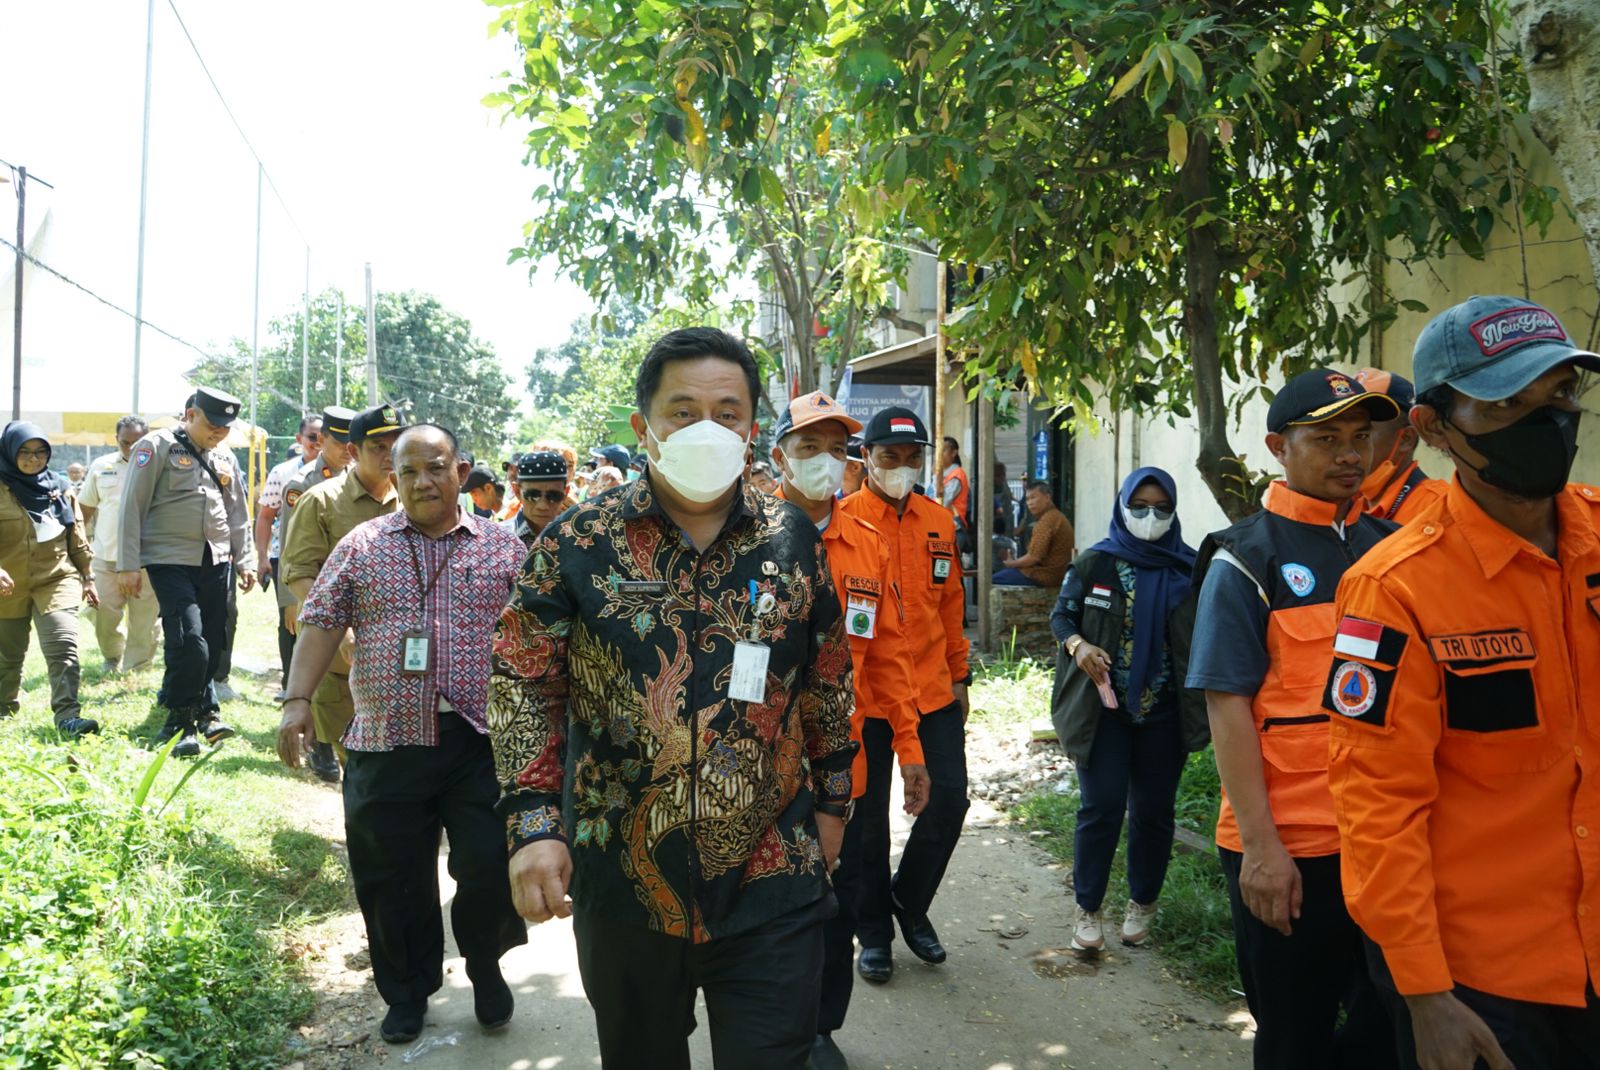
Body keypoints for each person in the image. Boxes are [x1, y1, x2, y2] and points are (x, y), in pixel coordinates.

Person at [488, 327, 857, 1069]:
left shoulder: (791, 539)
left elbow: (826, 677)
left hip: (772, 875)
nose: (706, 429)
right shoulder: (578, 541)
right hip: (622, 881)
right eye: (683, 412)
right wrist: (532, 823)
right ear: (644, 426)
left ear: (751, 432)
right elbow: (523, 678)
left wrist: (834, 803)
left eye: (727, 413)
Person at [1327, 296, 1600, 1070]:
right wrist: (1425, 996)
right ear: (1436, 429)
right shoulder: (1393, 590)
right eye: (1507, 403)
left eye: (1559, 394)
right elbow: (1377, 808)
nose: (1546, 422)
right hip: (1487, 985)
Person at [277, 422, 528, 1044]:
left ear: (460, 473)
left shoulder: (503, 549)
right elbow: (321, 621)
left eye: (435, 468)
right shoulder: (362, 545)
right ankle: (408, 992)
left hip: (478, 739)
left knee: (488, 864)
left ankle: (485, 963)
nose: (422, 482)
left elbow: (536, 639)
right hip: (386, 737)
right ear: (394, 477)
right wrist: (296, 700)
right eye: (408, 471)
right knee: (391, 876)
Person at [1184, 369, 1401, 1070]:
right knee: (1294, 1038)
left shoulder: (1395, 547)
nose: (1350, 454)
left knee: (1393, 1025)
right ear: (1279, 447)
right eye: (1327, 439)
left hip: (1388, 840)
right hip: (1294, 847)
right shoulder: (1248, 559)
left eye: (1360, 437)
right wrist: (1262, 850)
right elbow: (1226, 706)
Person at [769, 391, 930, 1070]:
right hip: (757, 762)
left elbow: (889, 654)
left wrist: (912, 747)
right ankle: (764, 1024)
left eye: (837, 449)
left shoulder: (867, 544)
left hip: (843, 762)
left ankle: (820, 1028)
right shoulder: (744, 537)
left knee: (834, 896)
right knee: (765, 903)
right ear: (779, 456)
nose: (824, 461)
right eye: (809, 447)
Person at [1050, 467, 1208, 952]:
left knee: (1154, 812)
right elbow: (1062, 616)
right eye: (1139, 507)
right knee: (1100, 806)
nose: (1150, 516)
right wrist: (1079, 646)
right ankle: (1088, 908)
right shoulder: (1096, 564)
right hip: (1105, 711)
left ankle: (1143, 902)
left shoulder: (1191, 570)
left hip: (1165, 713)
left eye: (1161, 508)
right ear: (1122, 508)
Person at [840, 406, 971, 984]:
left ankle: (908, 901)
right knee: (867, 823)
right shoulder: (844, 522)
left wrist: (960, 676)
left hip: (933, 692)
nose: (900, 466)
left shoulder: (939, 521)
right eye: (888, 456)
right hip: (868, 699)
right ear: (866, 458)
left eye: (911, 456)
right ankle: (874, 935)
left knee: (950, 800)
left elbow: (951, 606)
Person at [118, 388, 257, 758]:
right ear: (190, 415)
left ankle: (204, 710)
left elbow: (238, 512)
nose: (219, 433)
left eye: (225, 427)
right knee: (188, 638)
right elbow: (132, 506)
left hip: (217, 559)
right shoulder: (156, 446)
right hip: (169, 559)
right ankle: (179, 720)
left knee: (213, 639)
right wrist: (128, 564)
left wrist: (245, 560)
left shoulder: (225, 456)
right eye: (213, 425)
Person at [280, 403, 405, 784]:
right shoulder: (321, 500)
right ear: (353, 451)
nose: (389, 456)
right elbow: (299, 573)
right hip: (340, 661)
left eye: (395, 447)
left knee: (399, 773)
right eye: (378, 447)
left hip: (401, 662)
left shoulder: (412, 501)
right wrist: (340, 628)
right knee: (360, 770)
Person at [0, 423, 99, 736]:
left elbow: (76, 537)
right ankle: (3, 708)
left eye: (40, 452)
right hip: (7, 585)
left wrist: (88, 576)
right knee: (8, 656)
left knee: (63, 646)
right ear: (9, 452)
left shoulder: (60, 487)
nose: (34, 459)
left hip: (56, 578)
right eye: (25, 452)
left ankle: (68, 716)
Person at [258, 408, 354, 706]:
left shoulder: (357, 476)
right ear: (322, 440)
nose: (347, 450)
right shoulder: (303, 483)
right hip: (312, 587)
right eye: (339, 443)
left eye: (352, 443)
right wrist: (289, 600)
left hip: (348, 587)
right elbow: (289, 547)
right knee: (314, 660)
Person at [78, 415, 161, 674]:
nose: (131, 448)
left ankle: (138, 667)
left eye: (138, 442)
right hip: (106, 556)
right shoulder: (101, 466)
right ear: (116, 440)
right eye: (125, 442)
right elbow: (84, 510)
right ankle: (112, 655)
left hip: (147, 557)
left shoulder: (160, 467)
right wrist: (79, 550)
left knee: (144, 618)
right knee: (101, 610)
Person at [254, 414, 322, 692]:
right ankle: (290, 686)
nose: (317, 443)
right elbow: (265, 516)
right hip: (287, 558)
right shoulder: (282, 472)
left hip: (326, 558)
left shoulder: (344, 471)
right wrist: (261, 557)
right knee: (290, 622)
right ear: (299, 439)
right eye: (312, 437)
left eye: (323, 437)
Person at [1351, 369, 1447, 524]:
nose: (1345, 450)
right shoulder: (1348, 507)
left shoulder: (1440, 509)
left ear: (1406, 439)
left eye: (1362, 435)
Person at [995, 481, 1076, 586]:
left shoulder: (1048, 520)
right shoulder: (1056, 516)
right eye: (1027, 499)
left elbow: (1034, 557)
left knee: (992, 581)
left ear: (1047, 498)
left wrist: (1013, 563)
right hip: (1056, 575)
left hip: (1045, 575)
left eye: (1033, 497)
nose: (1029, 503)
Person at [503, 450, 567, 547]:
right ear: (517, 491)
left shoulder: (579, 538)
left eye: (553, 496)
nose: (543, 506)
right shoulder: (500, 537)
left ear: (566, 493)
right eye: (533, 496)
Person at [938, 436, 971, 541]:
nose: (939, 454)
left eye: (943, 450)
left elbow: (943, 502)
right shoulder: (945, 474)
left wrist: (936, 476)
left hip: (954, 527)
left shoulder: (957, 474)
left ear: (953, 453)